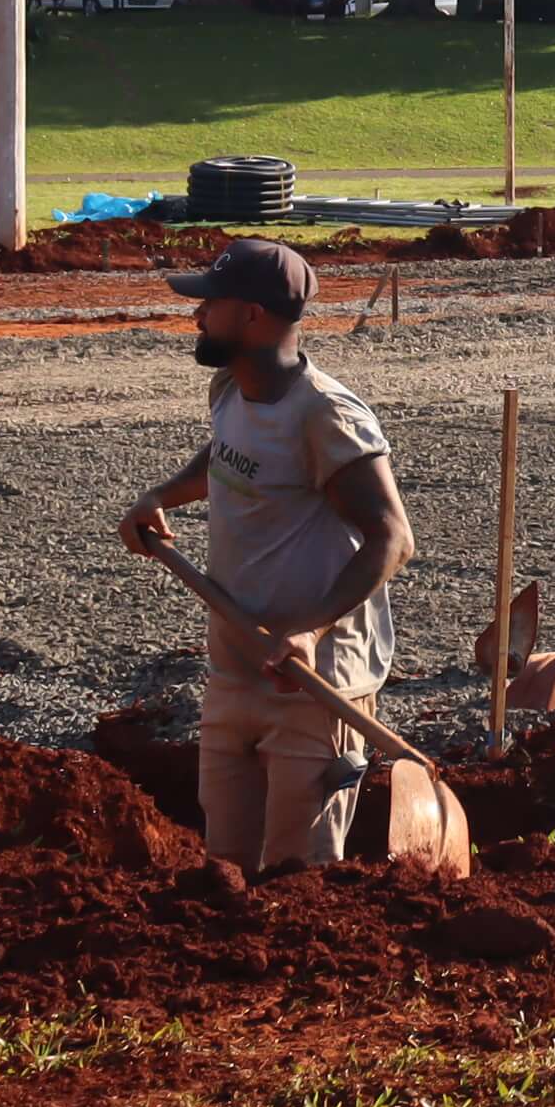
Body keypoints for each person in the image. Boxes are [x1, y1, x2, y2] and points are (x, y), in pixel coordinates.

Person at [116, 238, 413, 873]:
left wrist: (309, 631)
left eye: (210, 304)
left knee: (296, 877)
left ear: (251, 314)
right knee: (223, 870)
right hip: (235, 672)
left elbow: (393, 538)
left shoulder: (326, 416)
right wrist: (161, 496)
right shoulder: (231, 387)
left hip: (314, 686)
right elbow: (227, 454)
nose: (197, 315)